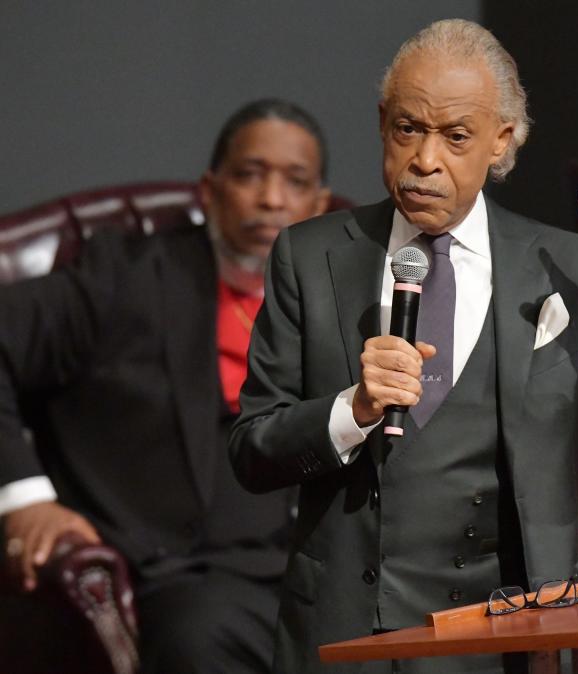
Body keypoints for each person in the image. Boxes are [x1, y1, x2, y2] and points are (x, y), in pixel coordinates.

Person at [230, 19, 578, 674]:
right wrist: (354, 409)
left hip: (522, 634)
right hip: (355, 633)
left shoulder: (566, 265)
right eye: (408, 129)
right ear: (382, 122)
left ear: (501, 141)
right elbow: (252, 451)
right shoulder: (309, 256)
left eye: (455, 136)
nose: (425, 159)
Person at [0, 98, 331, 673]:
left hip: (314, 572)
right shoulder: (123, 277)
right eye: (250, 175)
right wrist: (26, 499)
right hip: (185, 580)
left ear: (319, 204)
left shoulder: (345, 296)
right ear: (210, 188)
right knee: (203, 642)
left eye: (294, 182)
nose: (271, 199)